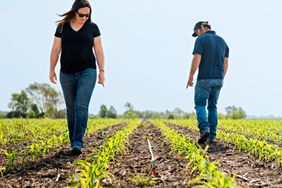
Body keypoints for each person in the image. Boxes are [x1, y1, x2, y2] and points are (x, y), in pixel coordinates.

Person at [49, 0, 105, 155]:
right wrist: (51, 69)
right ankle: (73, 139)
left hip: (88, 72)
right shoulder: (62, 27)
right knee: (71, 110)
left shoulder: (93, 28)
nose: (85, 17)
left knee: (81, 106)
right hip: (66, 73)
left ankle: (77, 143)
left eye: (88, 15)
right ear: (74, 12)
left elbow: (99, 50)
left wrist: (102, 71)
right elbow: (55, 49)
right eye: (82, 15)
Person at [186, 21, 229, 144]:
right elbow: (226, 62)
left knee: (200, 104)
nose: (197, 35)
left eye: (197, 32)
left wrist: (190, 76)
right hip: (218, 79)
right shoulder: (222, 41)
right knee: (212, 107)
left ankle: (204, 129)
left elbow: (197, 57)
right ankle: (212, 137)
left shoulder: (201, 40)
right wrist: (221, 77)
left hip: (204, 79)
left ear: (202, 28)